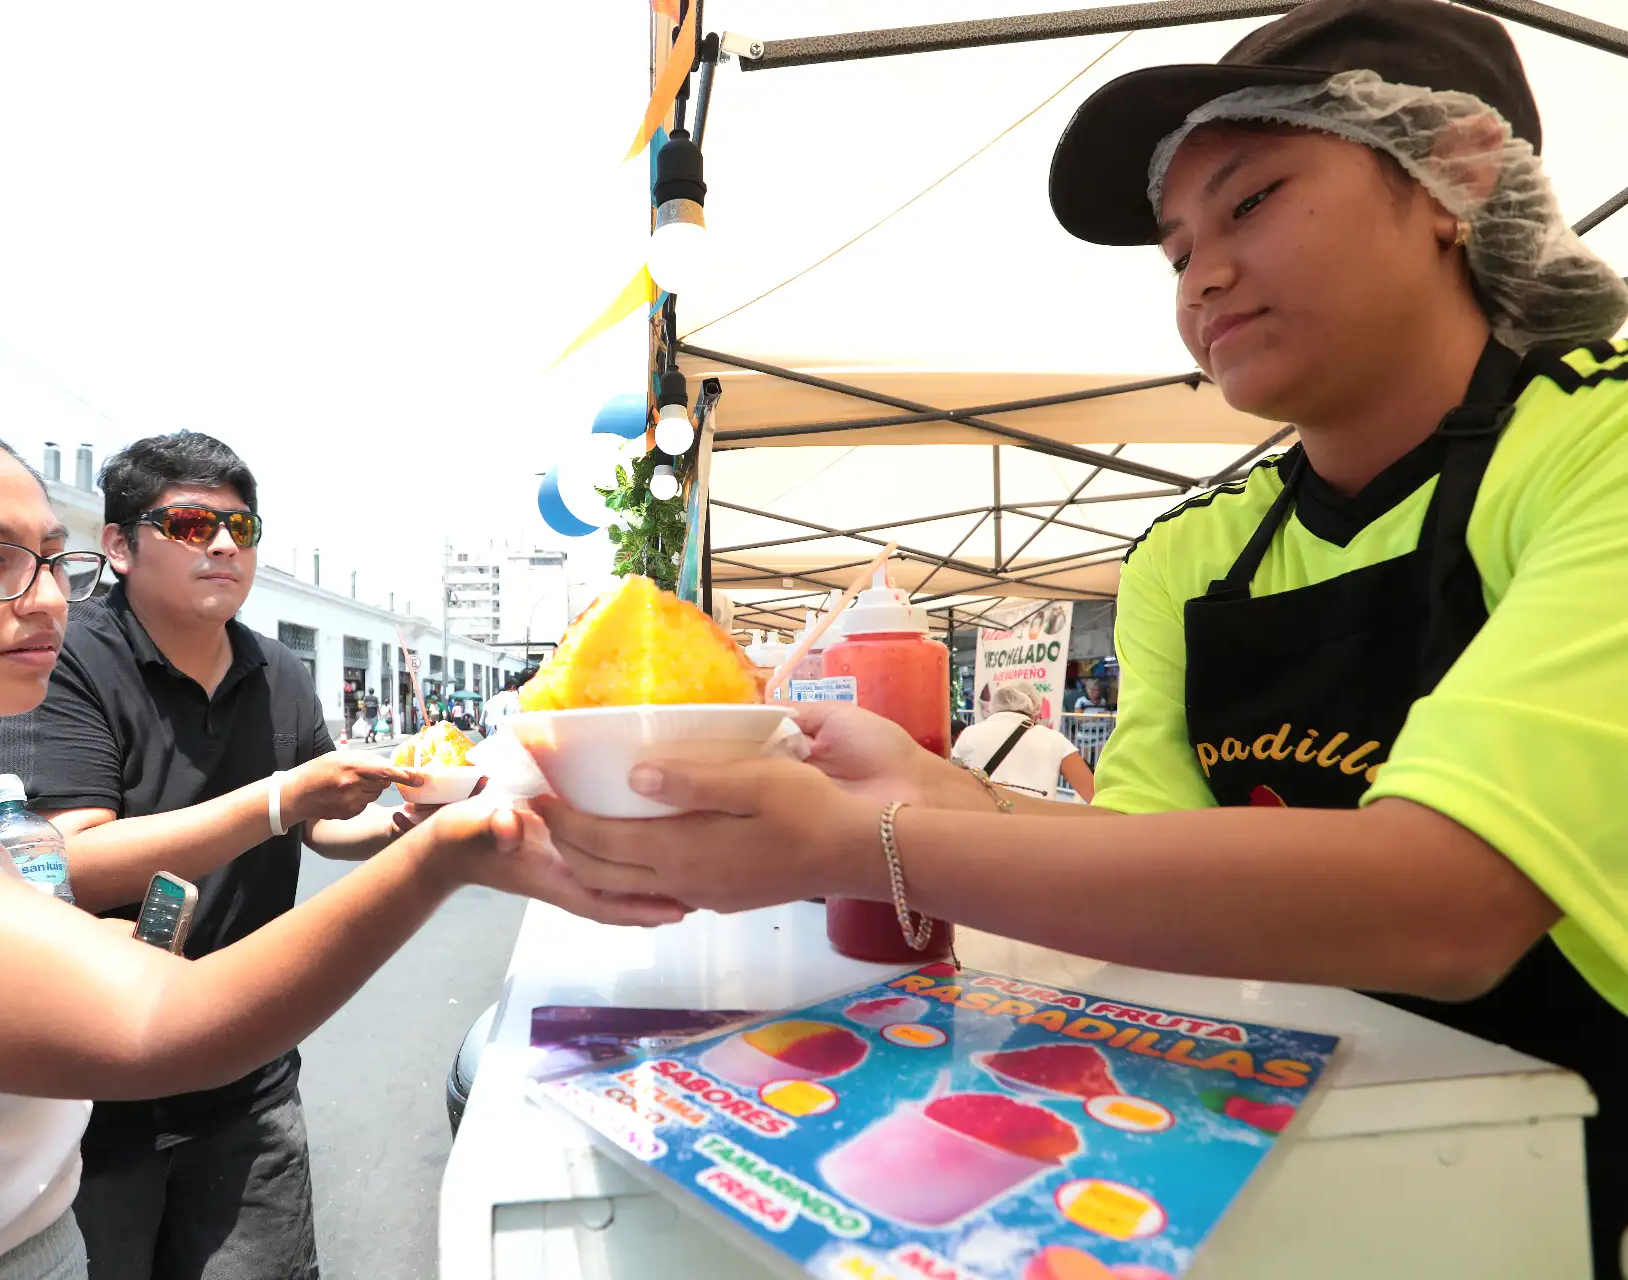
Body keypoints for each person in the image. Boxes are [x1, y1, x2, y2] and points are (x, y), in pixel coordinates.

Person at [533, 1, 1628, 1270]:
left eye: (1254, 200)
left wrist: (869, 842)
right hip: (1266, 1153)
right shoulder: (1193, 550)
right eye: (1174, 252)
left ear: (1458, 172)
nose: (1202, 274)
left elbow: (1450, 903)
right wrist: (937, 793)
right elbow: (1151, 858)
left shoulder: (1594, 449)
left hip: (1538, 1164)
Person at [0, 403, 681, 1280]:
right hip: (101, 1121)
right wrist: (441, 849)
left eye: (51, 556)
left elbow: (295, 831)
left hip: (212, 1102)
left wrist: (398, 818)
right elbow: (150, 1019)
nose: (45, 596)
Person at [954, 681, 1095, 802]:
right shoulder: (1054, 739)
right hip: (1035, 827)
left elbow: (949, 782)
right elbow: (1093, 794)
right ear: (1035, 707)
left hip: (981, 826)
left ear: (995, 704)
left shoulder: (969, 734)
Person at [482, 669, 522, 737]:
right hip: (508, 745)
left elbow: (481, 728)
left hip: (491, 745)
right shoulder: (516, 701)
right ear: (512, 687)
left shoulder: (490, 701)